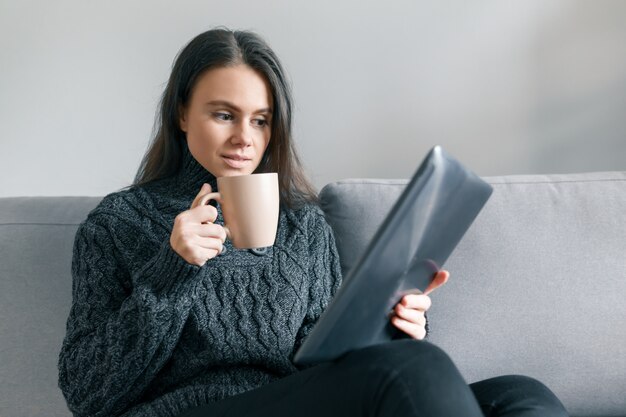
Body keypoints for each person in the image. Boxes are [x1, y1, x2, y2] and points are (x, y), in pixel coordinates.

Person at [58, 28, 569, 417]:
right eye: (223, 114)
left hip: (303, 402)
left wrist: (393, 328)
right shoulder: (118, 223)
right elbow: (87, 394)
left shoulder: (303, 226)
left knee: (522, 395)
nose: (245, 137)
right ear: (182, 114)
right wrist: (172, 269)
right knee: (419, 371)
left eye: (260, 119)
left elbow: (330, 362)